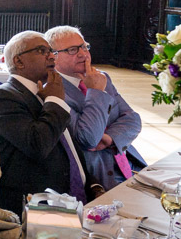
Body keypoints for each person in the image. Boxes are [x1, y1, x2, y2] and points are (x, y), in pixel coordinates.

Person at [0, 31, 96, 217]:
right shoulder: (4, 96)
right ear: (19, 61)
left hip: (67, 199)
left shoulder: (47, 93)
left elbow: (67, 147)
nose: (52, 56)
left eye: (51, 51)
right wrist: (54, 101)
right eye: (42, 51)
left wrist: (92, 183)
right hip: (35, 208)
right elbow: (38, 145)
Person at [45, 26, 146, 191]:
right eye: (72, 50)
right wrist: (96, 92)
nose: (82, 54)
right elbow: (88, 138)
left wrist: (110, 138)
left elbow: (133, 120)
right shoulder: (54, 90)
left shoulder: (101, 77)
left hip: (127, 165)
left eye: (84, 46)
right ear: (53, 57)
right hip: (95, 179)